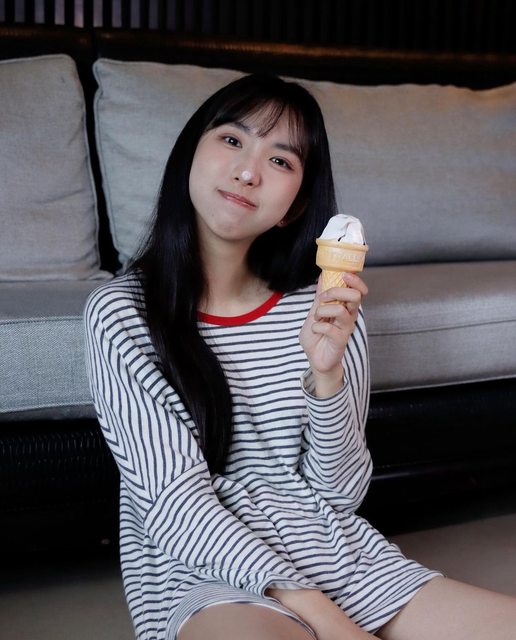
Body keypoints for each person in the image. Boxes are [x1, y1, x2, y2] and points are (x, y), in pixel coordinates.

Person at [84, 74, 516, 640]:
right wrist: (336, 626)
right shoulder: (121, 314)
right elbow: (175, 506)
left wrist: (326, 373)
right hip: (205, 571)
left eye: (280, 160)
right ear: (191, 152)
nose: (248, 172)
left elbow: (340, 494)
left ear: (296, 206)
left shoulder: (326, 308)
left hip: (337, 555)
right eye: (232, 140)